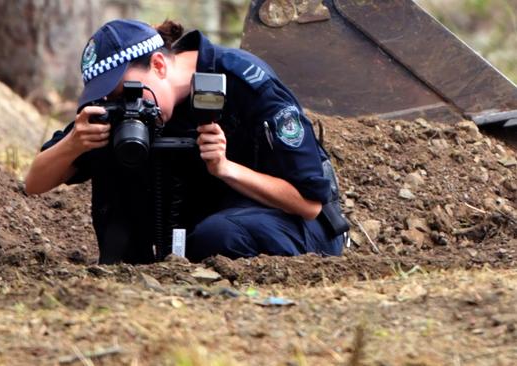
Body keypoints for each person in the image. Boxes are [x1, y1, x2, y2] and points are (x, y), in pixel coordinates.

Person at [25, 19, 345, 264]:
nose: (122, 104)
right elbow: (34, 183)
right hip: (203, 227)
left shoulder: (245, 82)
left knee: (217, 235)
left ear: (159, 65)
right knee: (116, 147)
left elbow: (309, 203)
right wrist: (74, 144)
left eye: (127, 93)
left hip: (295, 226)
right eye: (108, 97)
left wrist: (225, 168)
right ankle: (126, 266)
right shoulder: (122, 106)